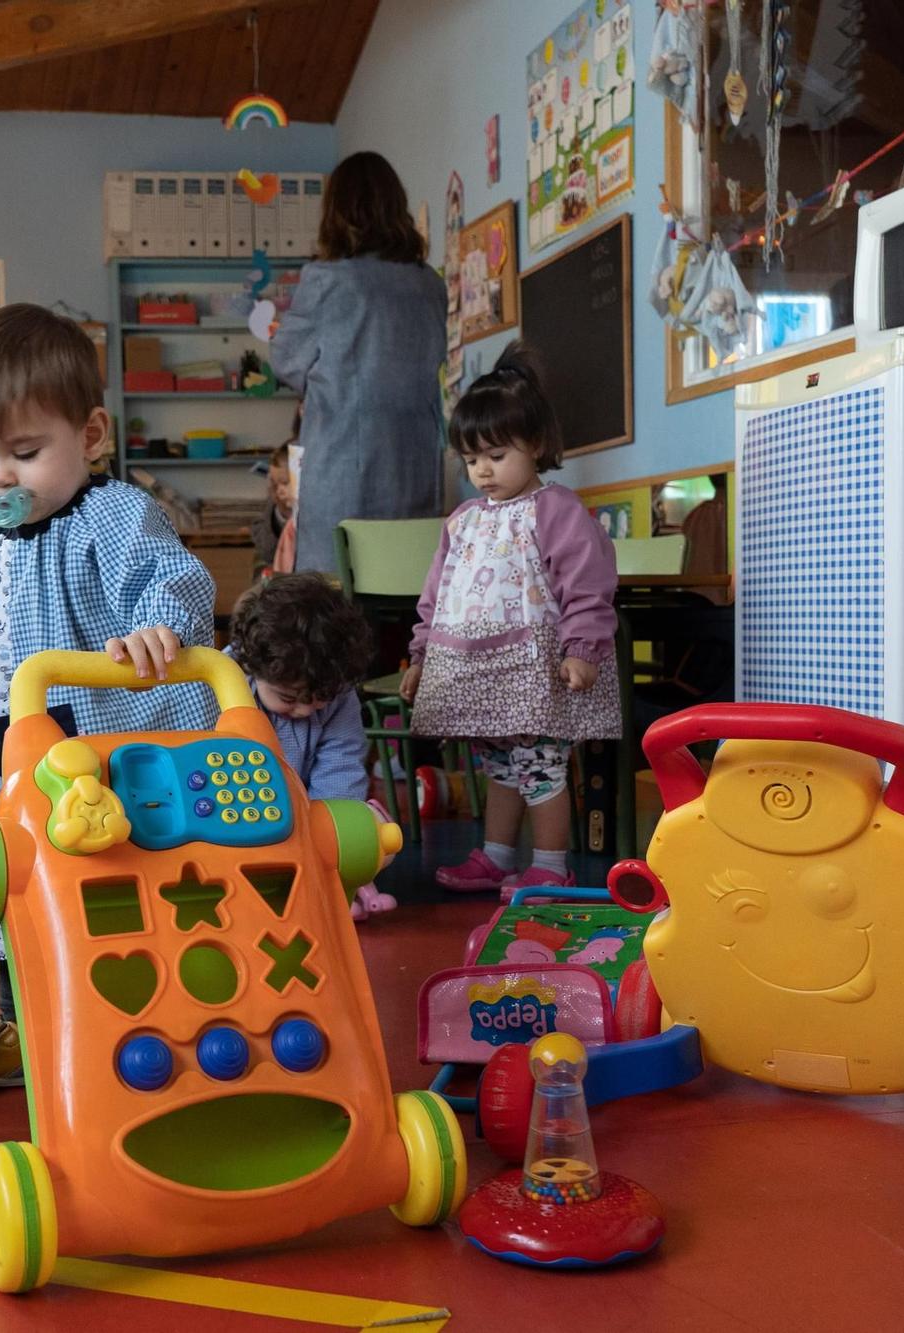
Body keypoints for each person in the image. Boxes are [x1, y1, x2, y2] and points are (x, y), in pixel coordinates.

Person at [0, 302, 217, 1086]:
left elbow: (167, 578)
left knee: (92, 886)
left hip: (80, 750)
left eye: (25, 451)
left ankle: (119, 1028)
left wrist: (155, 628)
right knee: (5, 889)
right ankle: (30, 1032)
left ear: (92, 436)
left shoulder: (109, 516)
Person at [401, 344, 621, 895]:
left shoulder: (555, 509)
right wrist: (421, 656)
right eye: (472, 459)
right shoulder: (464, 520)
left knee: (541, 766)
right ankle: (497, 857)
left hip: (536, 669)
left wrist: (583, 649)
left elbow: (587, 585)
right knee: (500, 764)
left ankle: (549, 866)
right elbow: (437, 594)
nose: (482, 470)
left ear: (538, 446)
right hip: (477, 672)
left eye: (496, 455)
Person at [269, 151, 445, 575]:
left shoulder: (328, 280)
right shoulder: (430, 285)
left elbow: (285, 361)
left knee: (335, 610)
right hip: (416, 469)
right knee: (410, 603)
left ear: (336, 212)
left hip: (343, 475)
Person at [226, 573, 396, 919]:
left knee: (367, 830)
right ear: (251, 666)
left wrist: (328, 841)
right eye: (289, 698)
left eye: (320, 698)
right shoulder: (226, 682)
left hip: (307, 814)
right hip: (239, 813)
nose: (305, 709)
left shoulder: (339, 695)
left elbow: (341, 768)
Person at [249, 440, 297, 578]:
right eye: (275, 483)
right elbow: (266, 552)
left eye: (285, 483)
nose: (279, 490)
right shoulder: (275, 498)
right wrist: (283, 512)